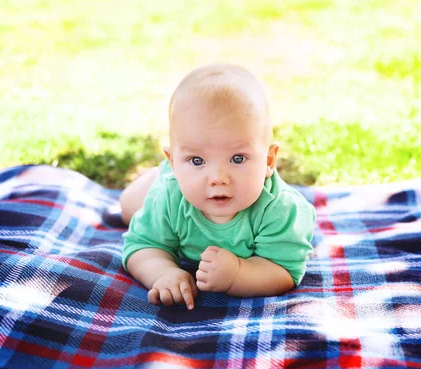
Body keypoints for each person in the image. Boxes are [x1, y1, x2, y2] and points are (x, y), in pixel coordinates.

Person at [120, 63, 315, 310]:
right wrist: (163, 272)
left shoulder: (280, 209)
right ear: (175, 162)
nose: (218, 178)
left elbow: (283, 269)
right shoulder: (169, 196)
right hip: (169, 183)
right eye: (197, 160)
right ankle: (158, 173)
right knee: (128, 208)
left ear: (268, 161)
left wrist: (238, 275)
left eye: (237, 159)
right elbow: (142, 246)